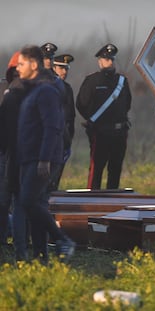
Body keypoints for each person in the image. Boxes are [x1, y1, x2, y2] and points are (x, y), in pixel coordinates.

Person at [16, 45, 75, 261]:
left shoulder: (47, 90)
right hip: (28, 157)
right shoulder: (32, 90)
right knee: (35, 205)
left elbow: (53, 127)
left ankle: (62, 239)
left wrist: (44, 159)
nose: (18, 68)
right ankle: (42, 255)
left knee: (28, 201)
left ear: (34, 64)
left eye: (21, 64)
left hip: (41, 158)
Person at [76, 44, 131, 189]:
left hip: (119, 133)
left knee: (115, 169)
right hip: (100, 133)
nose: (110, 62)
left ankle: (111, 204)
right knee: (96, 170)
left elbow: (127, 104)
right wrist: (93, 120)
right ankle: (91, 202)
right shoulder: (92, 81)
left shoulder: (122, 81)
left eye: (112, 59)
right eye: (106, 59)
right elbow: (81, 103)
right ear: (99, 61)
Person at [0, 51, 31, 260]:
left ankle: (5, 242)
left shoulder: (9, 95)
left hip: (8, 156)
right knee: (20, 203)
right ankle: (21, 248)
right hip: (27, 157)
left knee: (5, 202)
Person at [49, 54, 76, 190]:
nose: (64, 72)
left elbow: (71, 116)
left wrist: (69, 139)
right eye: (61, 68)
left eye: (66, 69)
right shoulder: (47, 86)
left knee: (56, 178)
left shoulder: (67, 88)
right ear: (54, 67)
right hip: (49, 137)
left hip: (63, 138)